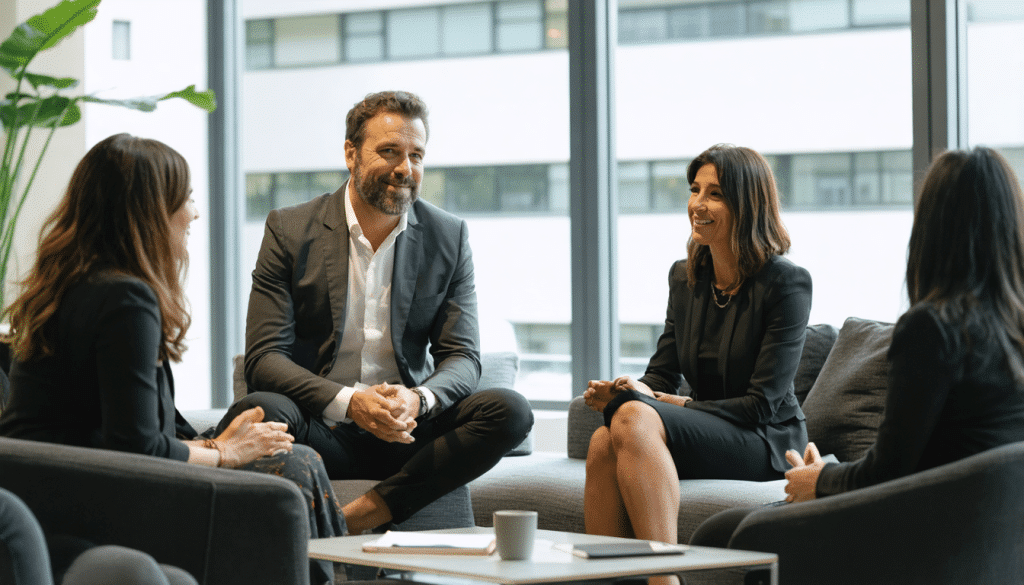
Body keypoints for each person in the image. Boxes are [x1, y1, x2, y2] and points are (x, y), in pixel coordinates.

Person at [0, 133, 345, 585]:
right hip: (89, 504)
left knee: (293, 458)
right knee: (294, 468)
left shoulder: (71, 285)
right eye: (186, 199)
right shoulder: (126, 298)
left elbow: (114, 433)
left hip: (48, 491)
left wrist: (217, 445)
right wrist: (225, 452)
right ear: (149, 211)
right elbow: (138, 448)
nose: (195, 213)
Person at [229, 90, 534, 535]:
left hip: (408, 432)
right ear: (351, 153)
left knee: (510, 411)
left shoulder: (448, 236)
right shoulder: (290, 230)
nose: (404, 169)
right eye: (389, 151)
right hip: (323, 427)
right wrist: (351, 403)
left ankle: (362, 515)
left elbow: (463, 358)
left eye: (416, 155)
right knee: (261, 409)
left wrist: (419, 399)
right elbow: (263, 359)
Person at [691, 146, 1024, 548]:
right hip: (993, 539)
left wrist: (821, 480)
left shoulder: (932, 329)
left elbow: (888, 472)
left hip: (925, 533)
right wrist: (830, 474)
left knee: (718, 533)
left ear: (933, 227)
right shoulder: (1012, 327)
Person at [582, 144, 811, 583]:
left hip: (765, 439)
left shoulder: (786, 282)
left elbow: (762, 405)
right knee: (603, 439)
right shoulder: (685, 277)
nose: (698, 205)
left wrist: (675, 406)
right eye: (695, 190)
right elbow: (662, 373)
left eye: (716, 194)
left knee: (630, 418)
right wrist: (629, 388)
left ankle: (665, 579)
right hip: (710, 432)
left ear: (747, 204)